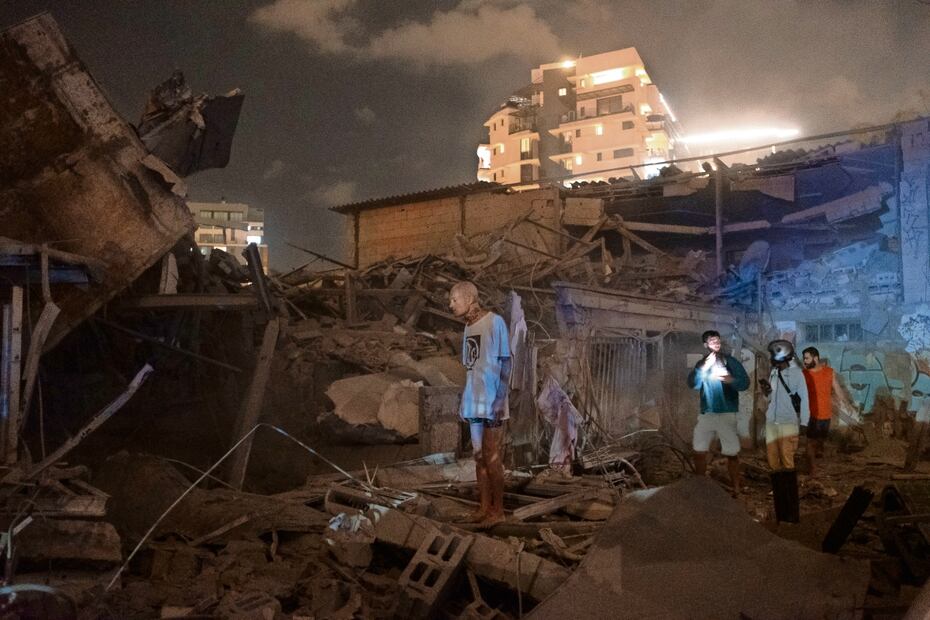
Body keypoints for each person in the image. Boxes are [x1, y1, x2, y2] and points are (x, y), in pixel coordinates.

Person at [449, 281, 511, 525]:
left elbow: (506, 362)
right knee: (478, 457)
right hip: (473, 400)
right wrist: (465, 400)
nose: (450, 304)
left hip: (491, 399)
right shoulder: (468, 327)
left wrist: (499, 399)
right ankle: (484, 507)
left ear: (469, 299)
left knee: (492, 456)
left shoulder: (494, 322)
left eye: (454, 300)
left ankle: (499, 511)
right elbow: (471, 368)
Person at [687, 330, 750, 495]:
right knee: (699, 450)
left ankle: (736, 488)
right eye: (711, 341)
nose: (716, 344)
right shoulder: (702, 364)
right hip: (707, 412)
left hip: (727, 412)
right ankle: (700, 486)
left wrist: (731, 380)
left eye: (717, 341)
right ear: (705, 345)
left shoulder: (731, 362)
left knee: (731, 452)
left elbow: (744, 383)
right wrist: (702, 369)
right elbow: (693, 384)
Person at [802, 346, 854, 475]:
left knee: (819, 441)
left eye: (807, 358)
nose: (805, 361)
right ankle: (812, 470)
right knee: (810, 442)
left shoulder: (829, 372)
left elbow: (837, 389)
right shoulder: (804, 374)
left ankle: (813, 458)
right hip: (811, 414)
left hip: (825, 415)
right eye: (804, 358)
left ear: (816, 358)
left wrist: (846, 403)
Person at [760, 340, 810, 471]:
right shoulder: (774, 373)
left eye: (772, 355)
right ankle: (778, 489)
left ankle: (789, 490)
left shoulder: (797, 374)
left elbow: (805, 398)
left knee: (787, 458)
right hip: (771, 422)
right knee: (772, 458)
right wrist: (766, 392)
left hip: (788, 422)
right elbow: (770, 398)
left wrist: (805, 422)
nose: (771, 358)